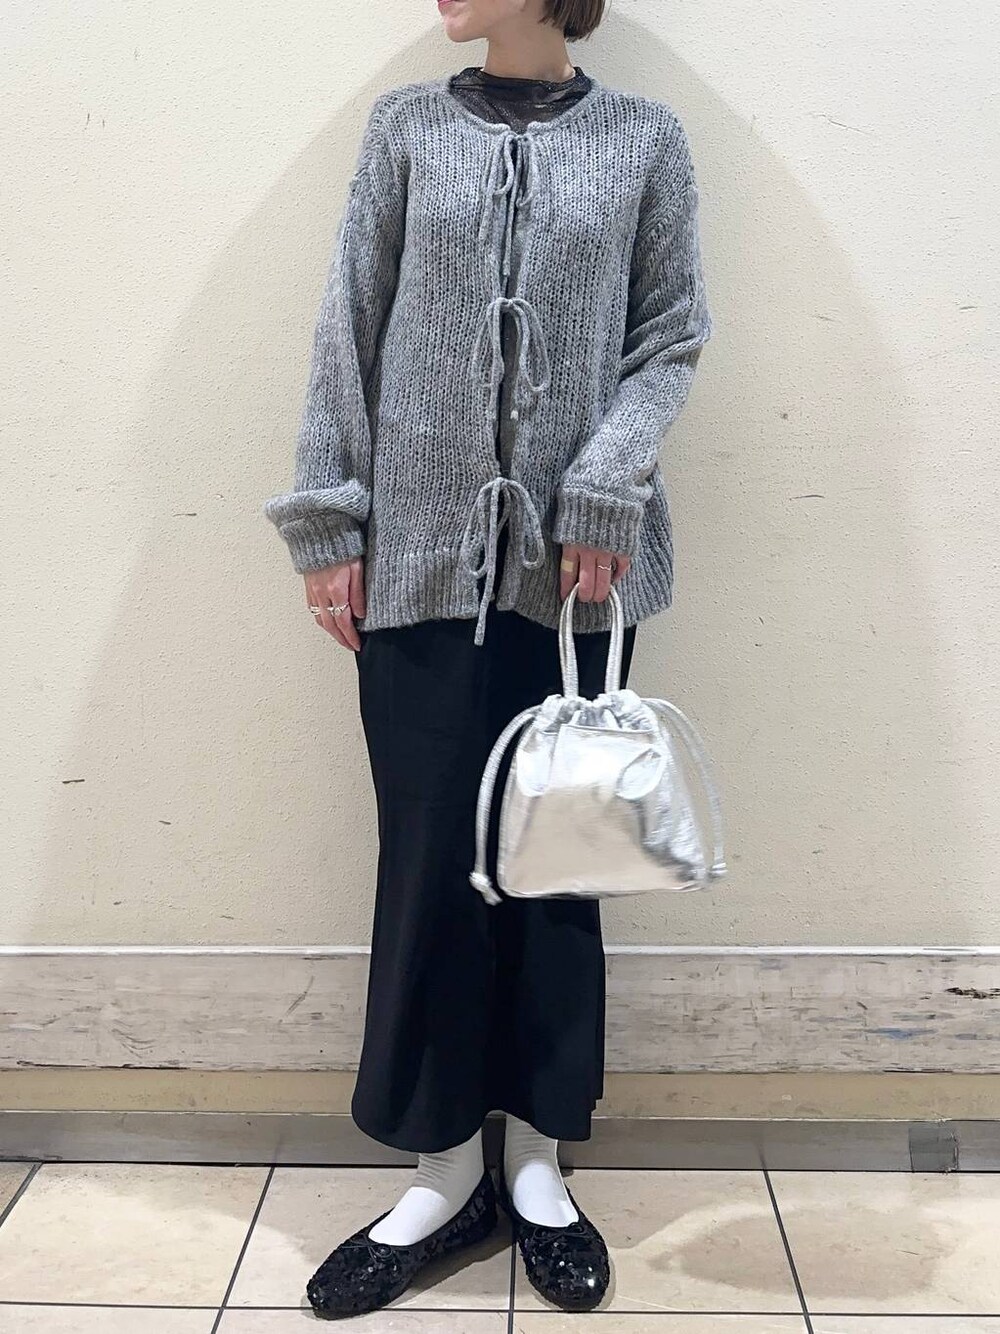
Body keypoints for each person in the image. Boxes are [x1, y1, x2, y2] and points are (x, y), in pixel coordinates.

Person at [262, 0, 713, 1318]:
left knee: (561, 865)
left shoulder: (644, 140)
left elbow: (670, 331)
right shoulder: (406, 128)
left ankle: (540, 1168)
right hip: (415, 563)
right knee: (428, 868)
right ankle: (442, 1170)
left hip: (577, 577)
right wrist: (329, 517)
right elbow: (348, 322)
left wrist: (605, 487)